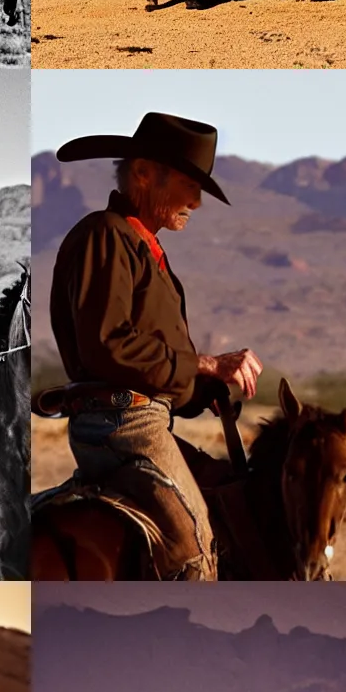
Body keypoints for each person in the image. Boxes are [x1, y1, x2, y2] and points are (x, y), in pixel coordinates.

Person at [47, 113, 262, 579]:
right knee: (195, 545)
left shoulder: (141, 246)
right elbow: (108, 346)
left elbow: (147, 363)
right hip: (122, 423)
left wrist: (203, 388)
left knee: (233, 503)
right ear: (144, 172)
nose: (197, 203)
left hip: (143, 418)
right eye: (189, 185)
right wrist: (204, 363)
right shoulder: (106, 234)